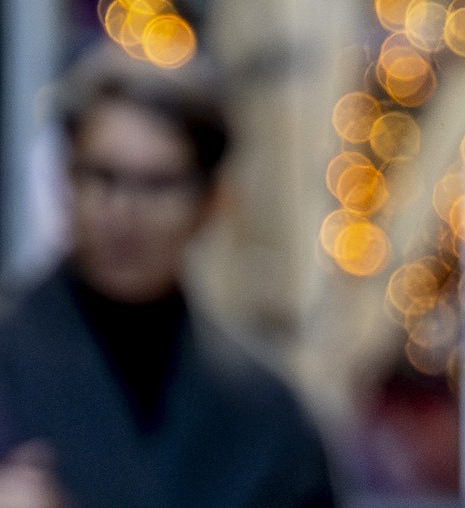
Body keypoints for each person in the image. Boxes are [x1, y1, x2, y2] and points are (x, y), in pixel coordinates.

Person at [0, 47, 338, 508]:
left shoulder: (264, 419)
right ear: (66, 179)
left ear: (213, 201)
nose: (124, 212)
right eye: (103, 176)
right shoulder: (11, 357)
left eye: (157, 184)